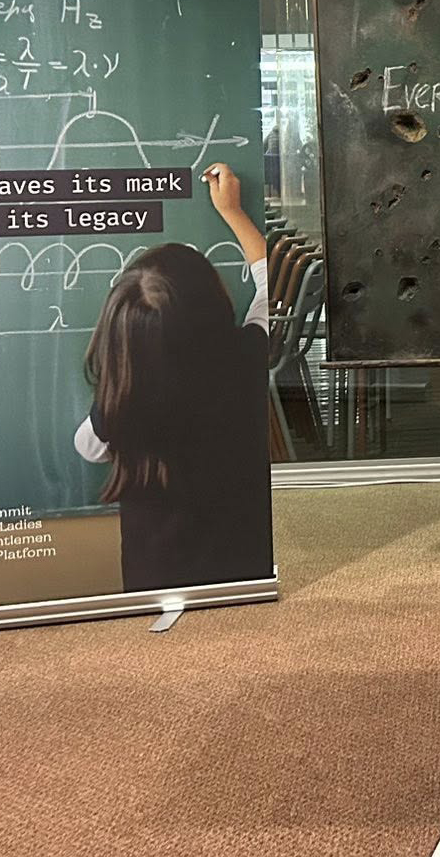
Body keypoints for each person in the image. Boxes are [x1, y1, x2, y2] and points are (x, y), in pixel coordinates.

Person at [75, 162, 273, 593]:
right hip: (246, 567)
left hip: (156, 581)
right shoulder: (247, 355)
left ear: (119, 338)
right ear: (217, 303)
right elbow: (269, 285)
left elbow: (87, 447)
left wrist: (121, 383)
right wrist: (233, 211)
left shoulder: (120, 406)